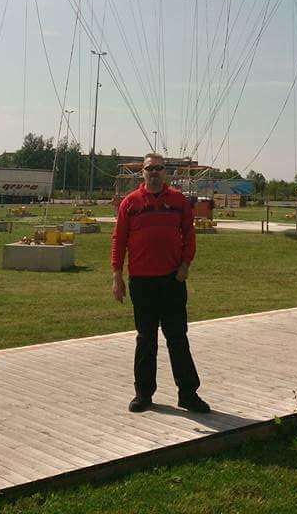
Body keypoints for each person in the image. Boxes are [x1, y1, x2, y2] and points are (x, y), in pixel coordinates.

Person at [111, 153, 210, 414]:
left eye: (159, 168)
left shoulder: (178, 201)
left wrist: (185, 265)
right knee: (146, 339)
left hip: (171, 280)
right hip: (141, 281)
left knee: (177, 337)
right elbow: (119, 240)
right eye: (149, 168)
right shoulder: (130, 203)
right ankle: (143, 394)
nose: (154, 172)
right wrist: (116, 276)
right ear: (142, 172)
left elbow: (189, 235)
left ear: (165, 172)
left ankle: (188, 394)